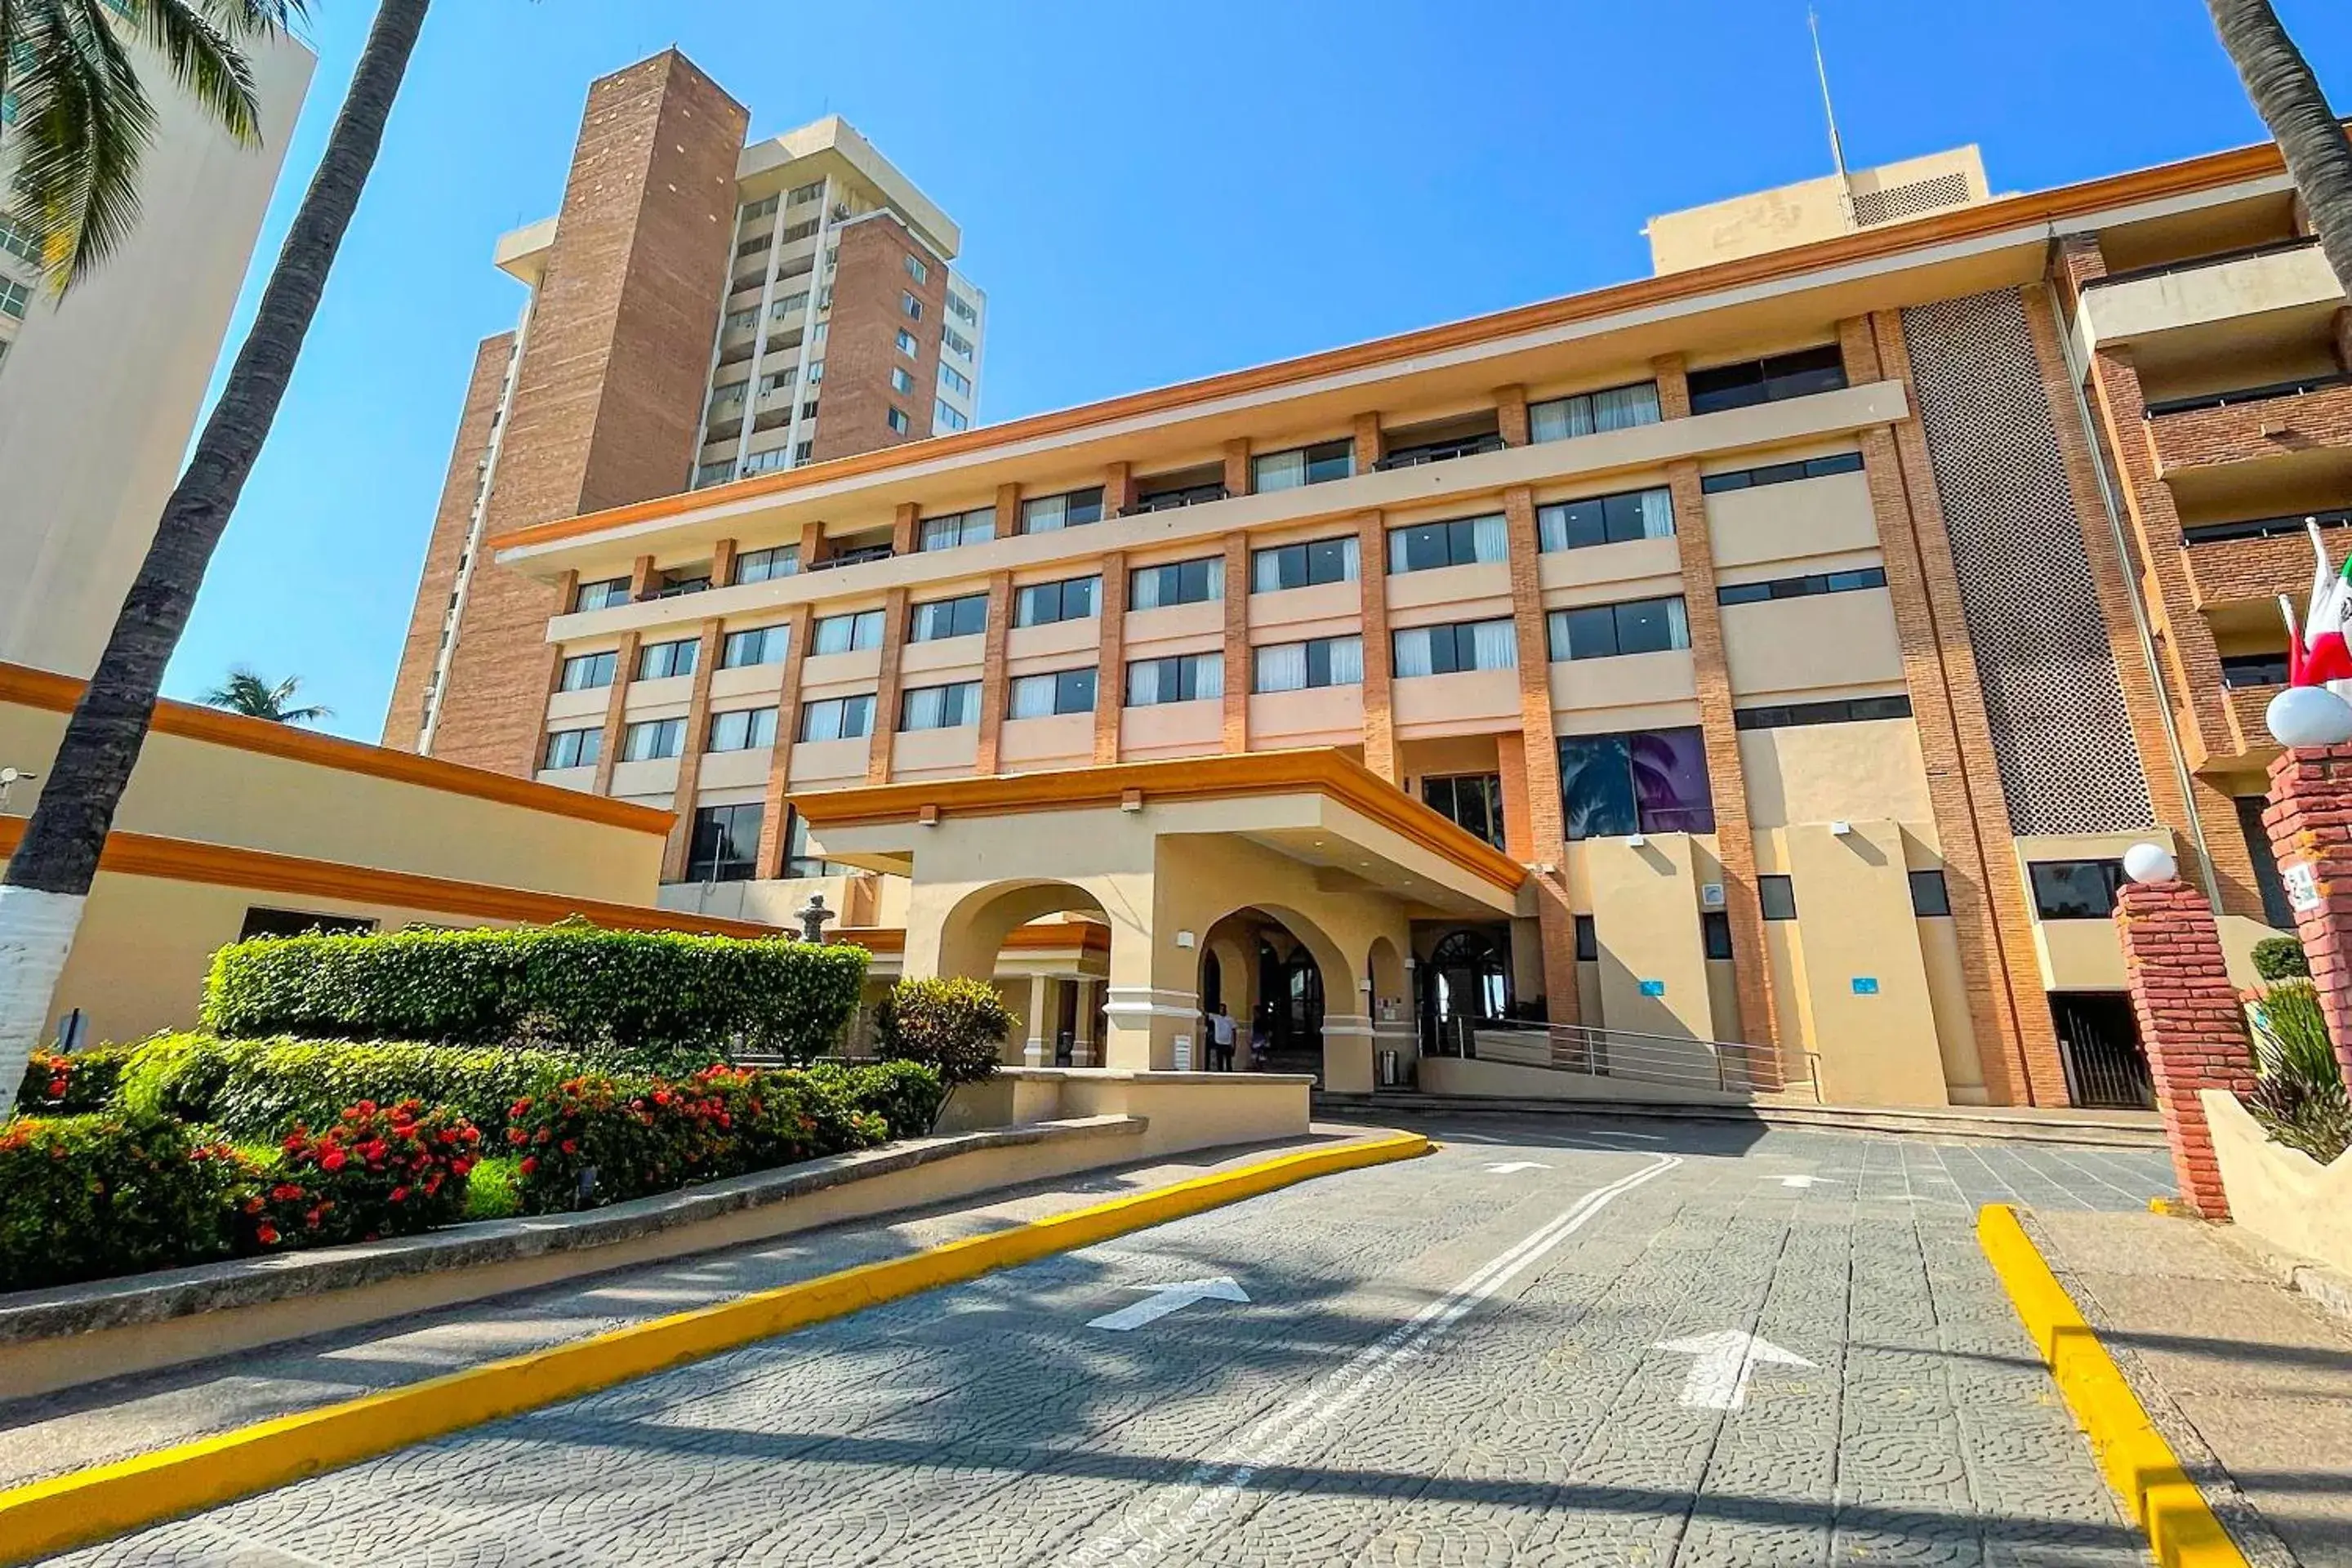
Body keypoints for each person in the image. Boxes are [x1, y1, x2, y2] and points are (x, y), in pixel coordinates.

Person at [1208, 1004, 1237, 1071]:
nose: (1222, 1010)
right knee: (1220, 1061)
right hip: (1219, 1043)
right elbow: (1206, 1014)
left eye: (1223, 1009)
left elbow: (1234, 1031)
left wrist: (1234, 1044)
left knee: (1228, 1062)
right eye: (1221, 1009)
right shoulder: (1216, 1017)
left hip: (1228, 1043)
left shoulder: (1230, 1019)